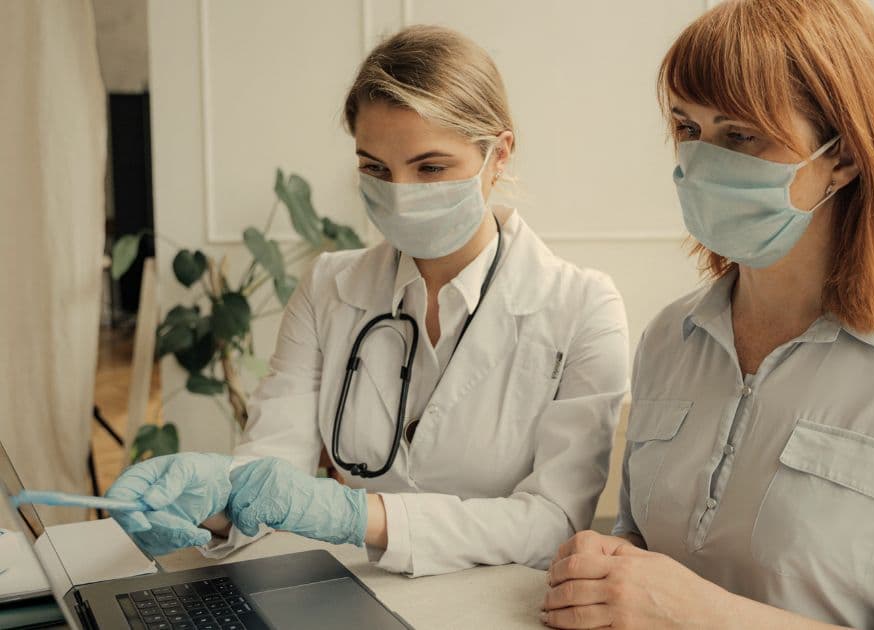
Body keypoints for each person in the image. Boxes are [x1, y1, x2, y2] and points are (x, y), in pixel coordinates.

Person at [542, 1, 874, 628]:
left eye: (740, 135)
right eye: (686, 128)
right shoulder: (670, 339)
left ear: (844, 156)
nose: (700, 162)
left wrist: (703, 615)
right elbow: (643, 558)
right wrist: (607, 567)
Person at [106, 25, 629, 577]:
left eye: (431, 167)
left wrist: (359, 515)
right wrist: (208, 501)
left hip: (497, 604)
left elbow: (554, 522)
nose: (401, 194)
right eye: (375, 169)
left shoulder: (582, 307)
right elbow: (271, 467)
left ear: (499, 154)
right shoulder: (330, 286)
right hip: (351, 592)